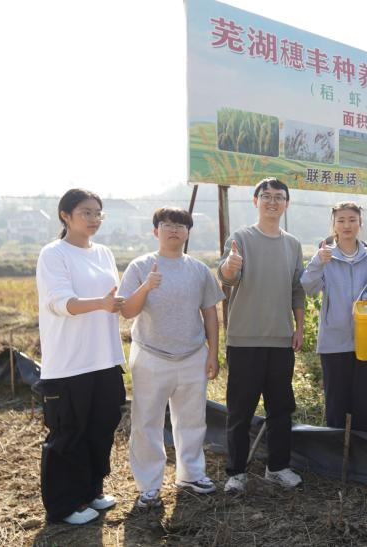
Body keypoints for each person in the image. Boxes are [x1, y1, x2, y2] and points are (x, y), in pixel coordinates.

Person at [118, 207, 225, 508]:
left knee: (192, 419)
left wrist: (213, 353)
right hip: (151, 354)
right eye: (167, 224)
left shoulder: (198, 269)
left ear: (188, 232)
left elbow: (210, 314)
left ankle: (191, 474)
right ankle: (149, 486)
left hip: (192, 354)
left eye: (181, 225)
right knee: (147, 422)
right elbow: (127, 311)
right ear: (156, 231)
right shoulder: (141, 266)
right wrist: (147, 286)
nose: (174, 229)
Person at [35, 189, 126, 524]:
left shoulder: (104, 252)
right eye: (86, 212)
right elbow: (60, 303)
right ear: (65, 215)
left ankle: (91, 491)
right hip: (69, 363)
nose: (94, 219)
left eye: (98, 213)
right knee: (68, 433)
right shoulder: (53, 254)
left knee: (101, 427)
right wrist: (101, 304)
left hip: (105, 358)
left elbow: (114, 297)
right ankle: (63, 506)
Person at [218, 177, 305, 493]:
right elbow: (227, 278)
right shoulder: (241, 238)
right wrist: (230, 266)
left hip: (280, 340)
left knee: (281, 409)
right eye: (266, 196)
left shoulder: (293, 244)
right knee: (240, 411)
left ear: (286, 204)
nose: (272, 201)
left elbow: (297, 290)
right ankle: (236, 472)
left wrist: (299, 327)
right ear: (255, 201)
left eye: (279, 197)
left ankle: (278, 468)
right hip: (245, 339)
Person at [300, 202, 367, 433]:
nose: (347, 225)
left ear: (360, 223)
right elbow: (309, 287)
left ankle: (363, 451)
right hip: (334, 341)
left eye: (352, 220)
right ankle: (336, 452)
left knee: (364, 404)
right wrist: (318, 262)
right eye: (341, 220)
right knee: (336, 405)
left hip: (366, 342)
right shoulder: (325, 256)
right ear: (334, 224)